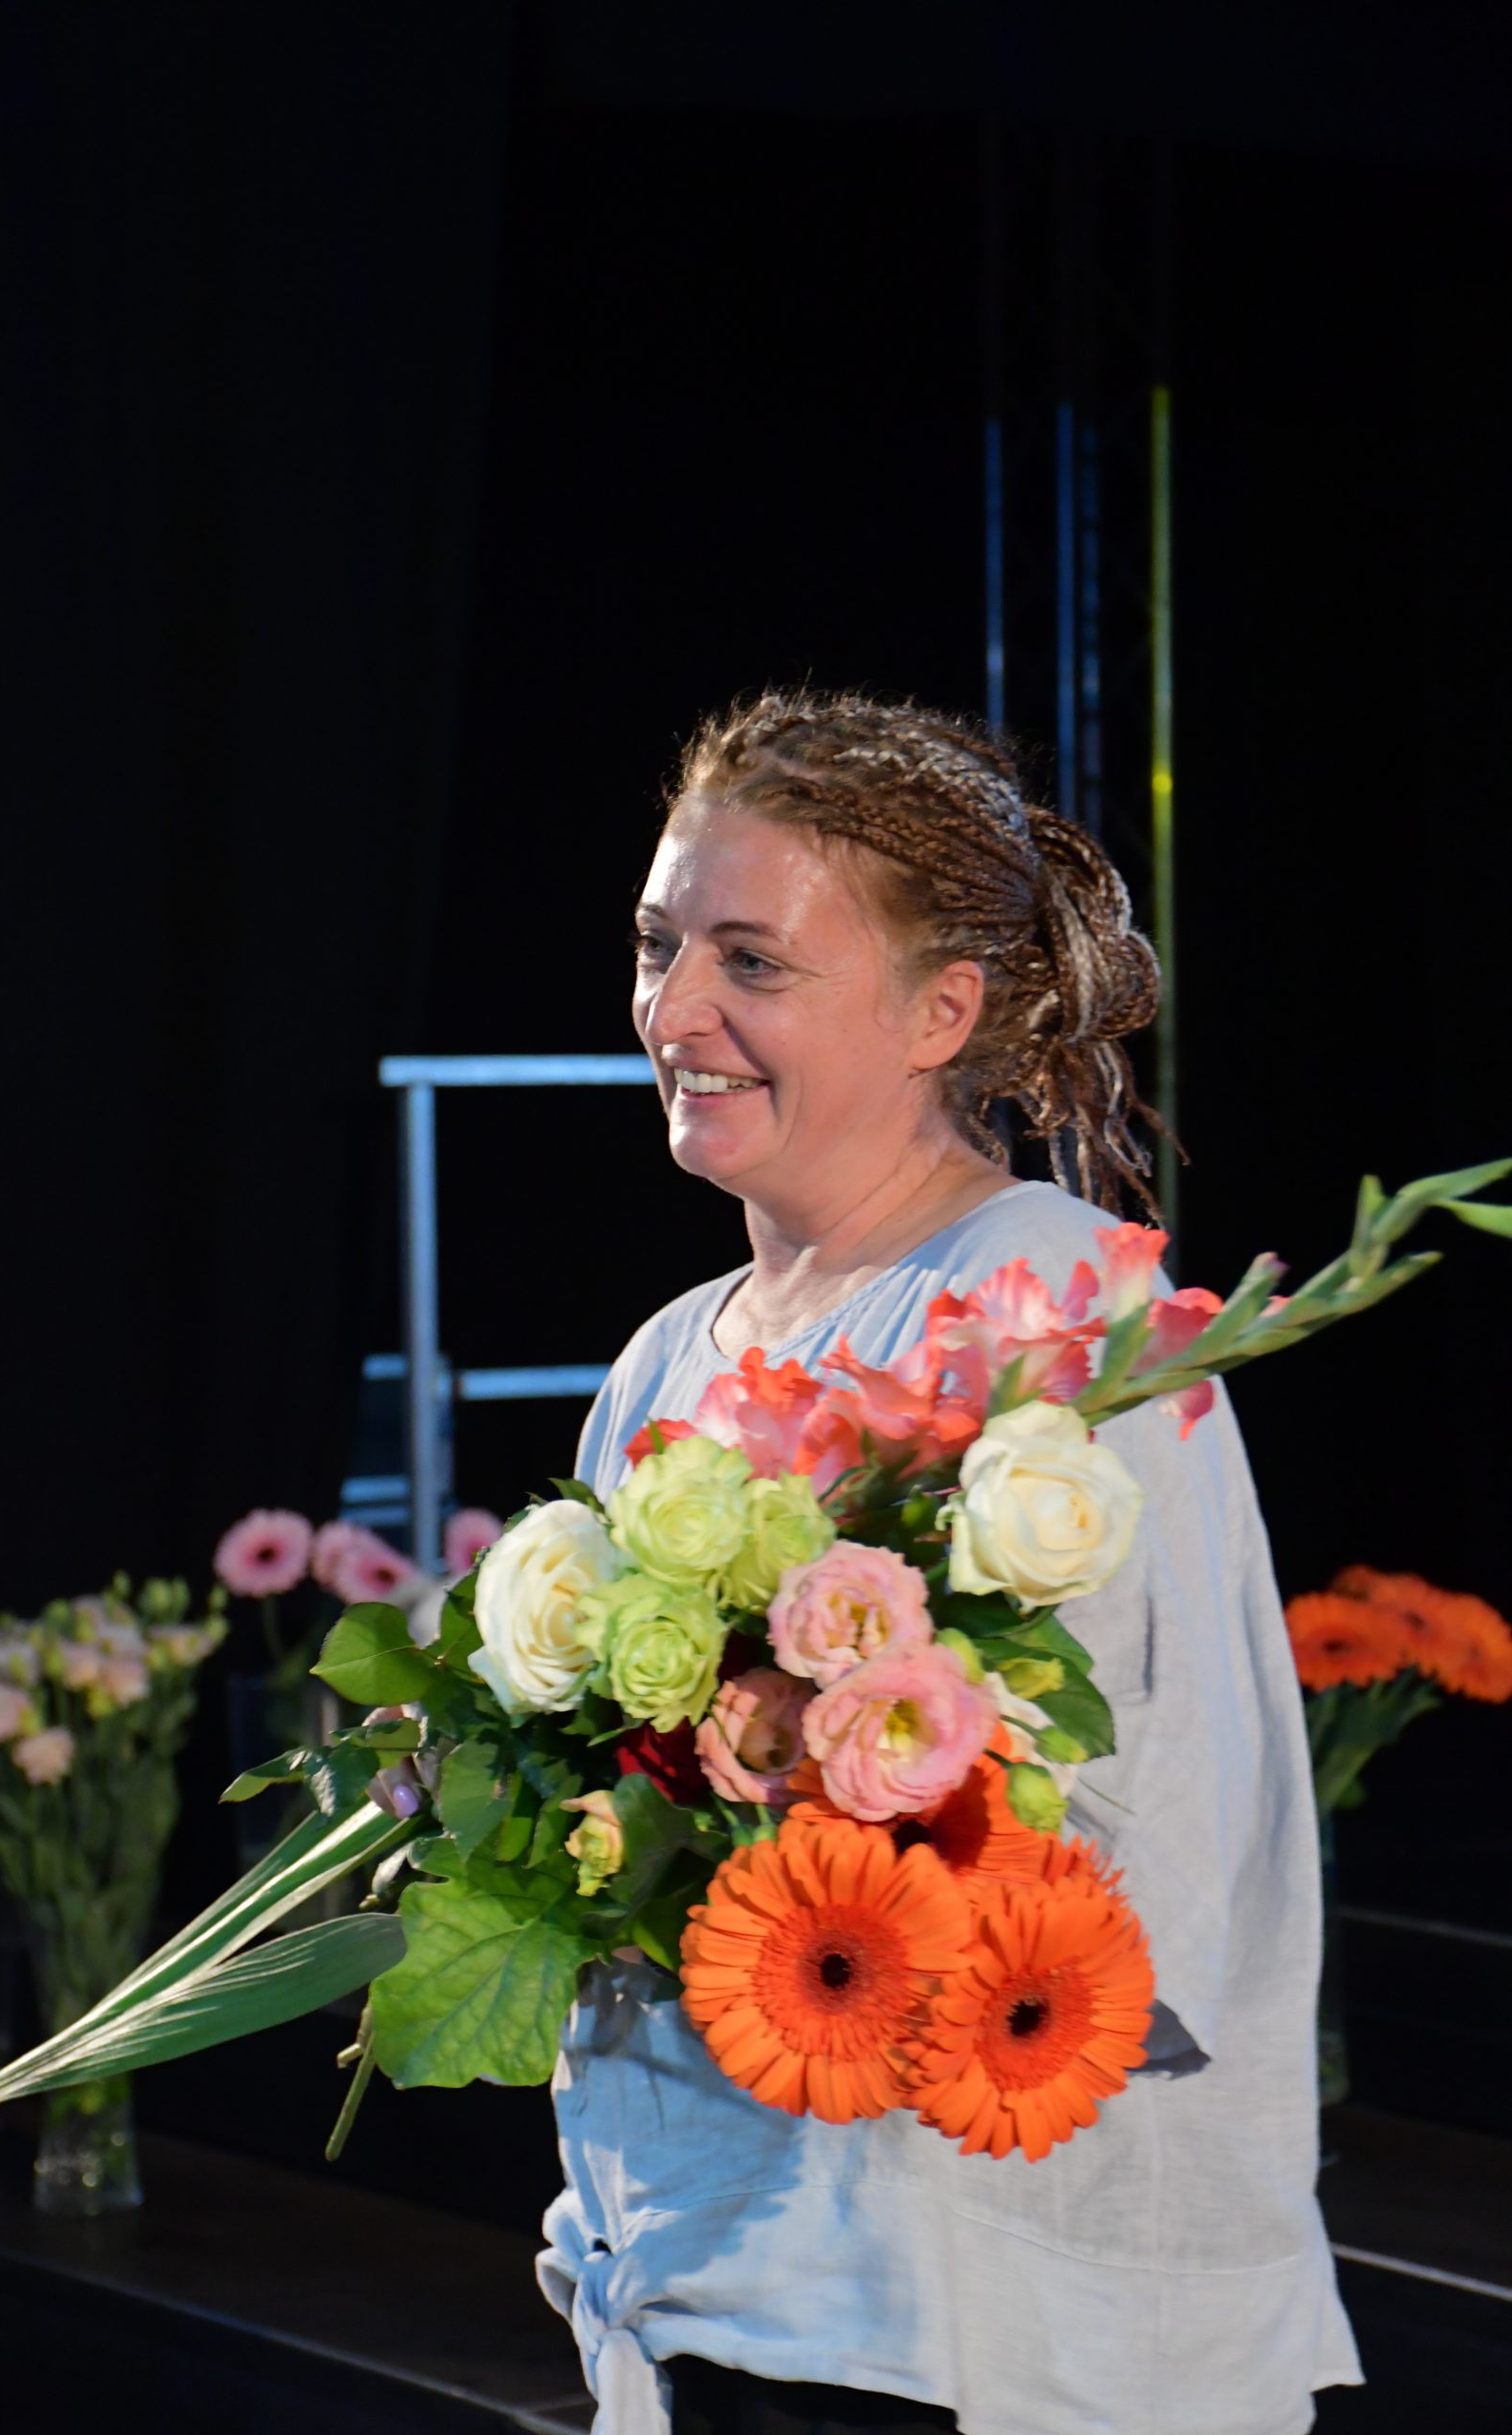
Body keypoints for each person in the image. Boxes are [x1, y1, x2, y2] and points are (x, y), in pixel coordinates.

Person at [536, 691, 1364, 2435]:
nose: (673, 1012)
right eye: (659, 946)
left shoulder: (1057, 1312)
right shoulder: (666, 1358)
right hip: (706, 2277)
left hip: (952, 2317)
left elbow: (1159, 1839)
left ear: (944, 1012)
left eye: (751, 962)